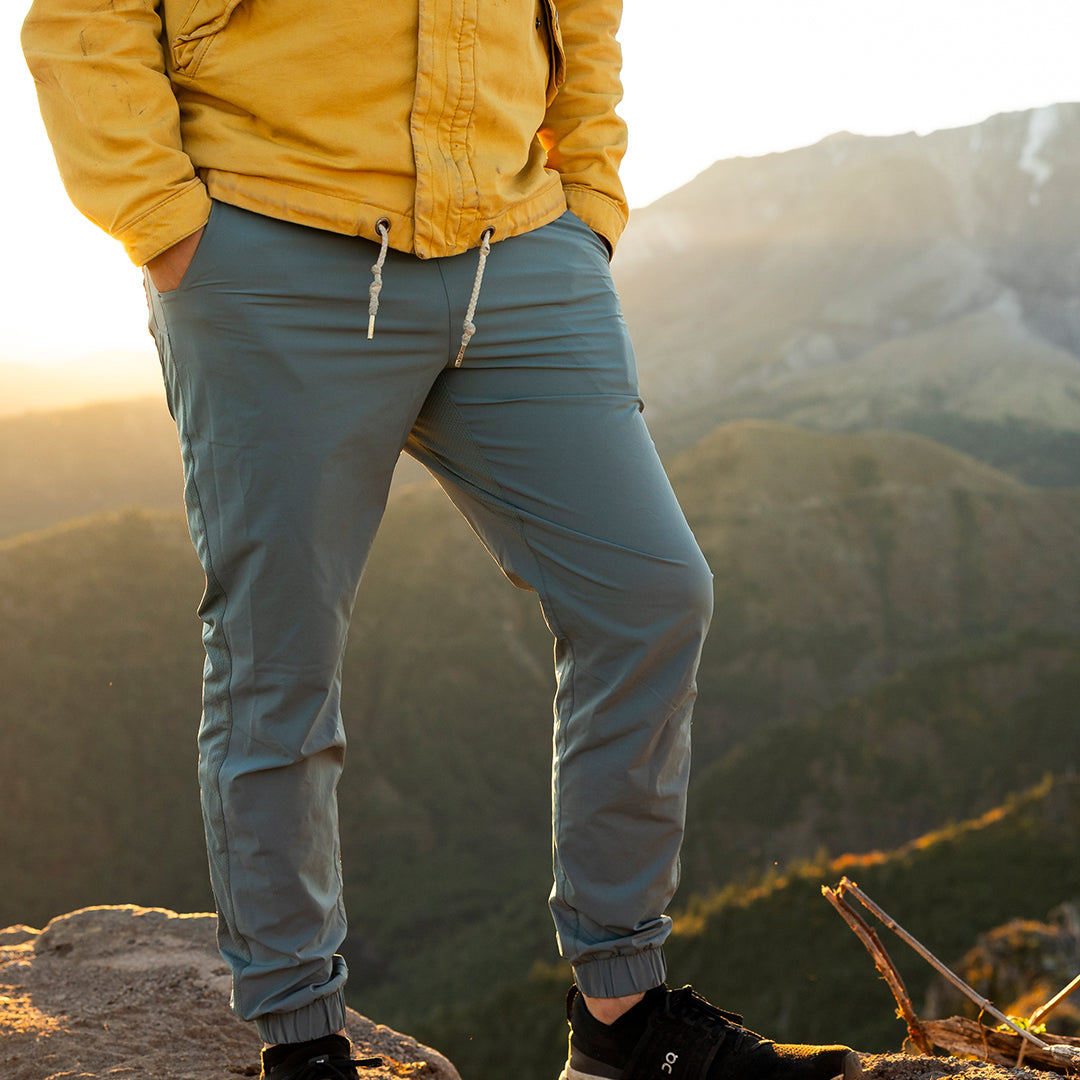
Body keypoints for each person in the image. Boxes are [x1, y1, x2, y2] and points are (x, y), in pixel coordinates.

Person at [21, 3, 863, 1079]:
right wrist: (167, 221)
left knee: (652, 595)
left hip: (520, 252)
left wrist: (587, 205)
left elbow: (586, 19)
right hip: (273, 244)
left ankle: (621, 1018)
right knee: (279, 655)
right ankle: (303, 1040)